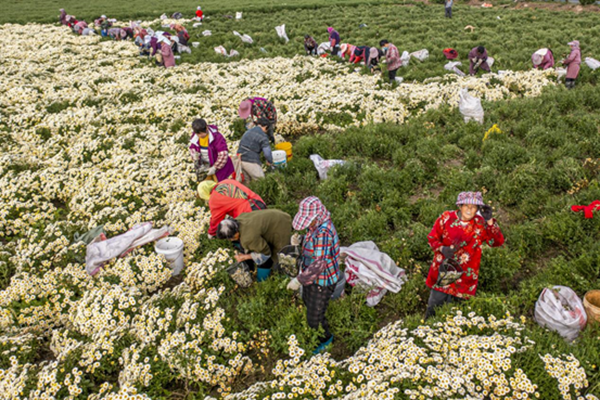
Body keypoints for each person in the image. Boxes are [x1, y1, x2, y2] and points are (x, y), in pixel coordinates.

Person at [424, 191, 505, 319]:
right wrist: (442, 248)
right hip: (444, 271)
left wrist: (489, 221)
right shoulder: (446, 218)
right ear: (460, 206)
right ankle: (426, 331)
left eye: (473, 207)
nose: (469, 209)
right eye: (466, 206)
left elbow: (496, 242)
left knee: (458, 313)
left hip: (465, 275)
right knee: (434, 307)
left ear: (477, 209)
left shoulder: (480, 223)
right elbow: (432, 237)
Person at [287, 197, 341, 354]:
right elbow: (313, 243)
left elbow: (319, 264)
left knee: (314, 316)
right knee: (308, 302)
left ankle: (326, 339)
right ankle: (318, 321)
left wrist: (299, 280)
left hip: (322, 280)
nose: (307, 225)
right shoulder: (315, 227)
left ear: (317, 216)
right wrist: (301, 240)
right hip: (312, 277)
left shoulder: (324, 232)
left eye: (308, 222)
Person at [216, 209, 292, 282]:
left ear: (235, 234)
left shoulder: (248, 238)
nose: (230, 240)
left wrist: (245, 257)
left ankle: (289, 275)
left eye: (230, 238)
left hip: (281, 224)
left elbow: (266, 254)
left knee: (281, 260)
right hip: (278, 215)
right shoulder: (238, 220)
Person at [198, 179, 266, 238]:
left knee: (260, 235)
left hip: (248, 213)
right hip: (258, 202)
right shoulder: (227, 181)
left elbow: (216, 219)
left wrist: (211, 233)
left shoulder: (214, 199)